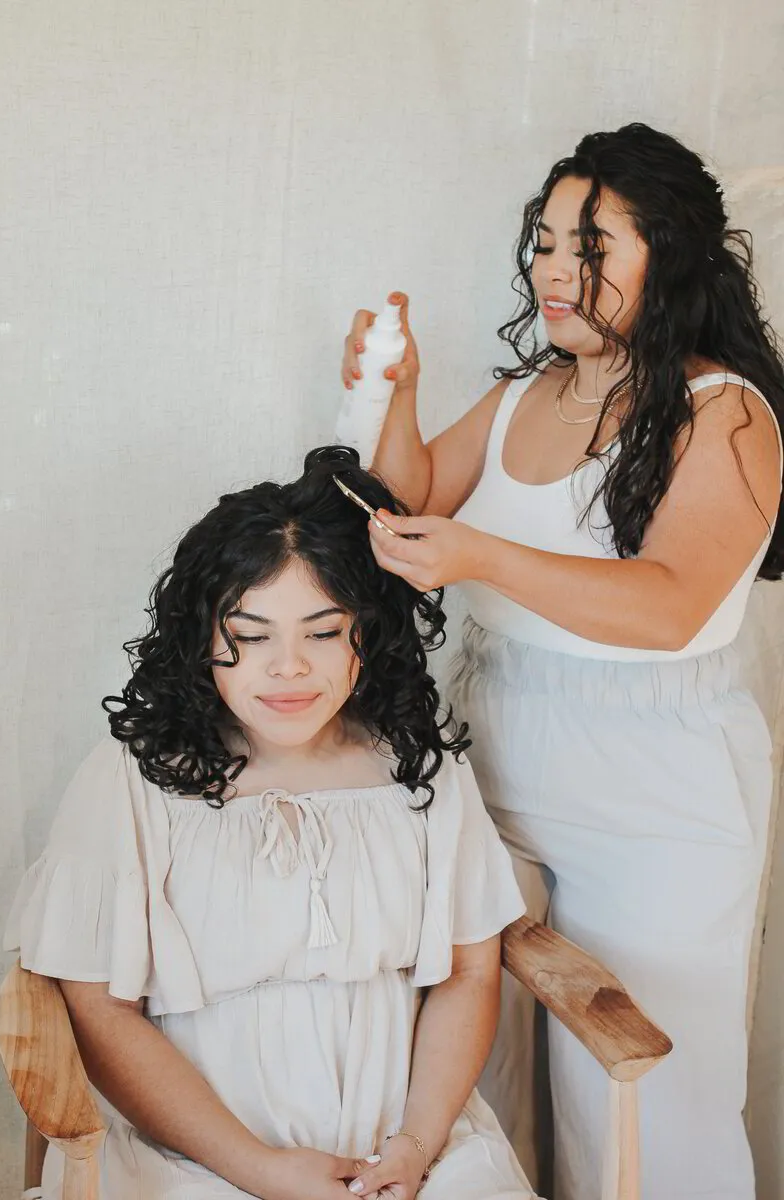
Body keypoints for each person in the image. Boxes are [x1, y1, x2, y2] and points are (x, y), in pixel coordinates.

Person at [340, 123, 784, 1200]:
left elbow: (669, 606)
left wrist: (482, 556)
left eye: (589, 245)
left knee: (641, 1096)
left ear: (667, 254)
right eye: (543, 241)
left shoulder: (725, 416)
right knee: (456, 1077)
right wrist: (388, 399)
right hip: (489, 750)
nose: (552, 268)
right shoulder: (529, 390)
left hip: (653, 785)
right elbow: (417, 500)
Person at [5, 447, 538, 1200]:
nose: (288, 668)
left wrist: (414, 1150)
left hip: (406, 1157)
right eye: (250, 637)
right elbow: (97, 1006)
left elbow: (471, 972)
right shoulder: (137, 775)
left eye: (323, 633)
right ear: (202, 639)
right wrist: (255, 1169)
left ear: (368, 634)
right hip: (192, 1161)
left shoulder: (419, 767)